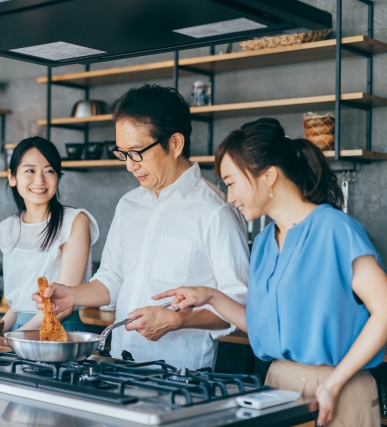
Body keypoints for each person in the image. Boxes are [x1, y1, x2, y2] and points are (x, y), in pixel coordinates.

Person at [158, 118, 386, 426]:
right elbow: (262, 326)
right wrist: (210, 295)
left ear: (268, 176)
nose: (229, 197)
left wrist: (334, 384)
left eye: (231, 182)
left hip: (338, 390)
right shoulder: (265, 241)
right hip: (278, 386)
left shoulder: (335, 229)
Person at [33, 84, 249, 369]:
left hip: (180, 376)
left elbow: (239, 305)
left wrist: (179, 319)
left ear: (175, 143)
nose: (129, 166)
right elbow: (113, 279)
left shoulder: (216, 212)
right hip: (119, 365)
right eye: (122, 153)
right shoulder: (128, 205)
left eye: (136, 152)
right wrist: (73, 295)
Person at [0, 137, 98, 341]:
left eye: (49, 171)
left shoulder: (75, 221)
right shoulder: (8, 228)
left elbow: (62, 306)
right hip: (18, 333)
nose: (40, 180)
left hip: (61, 329)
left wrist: (12, 339)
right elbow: (17, 307)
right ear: (12, 176)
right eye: (30, 170)